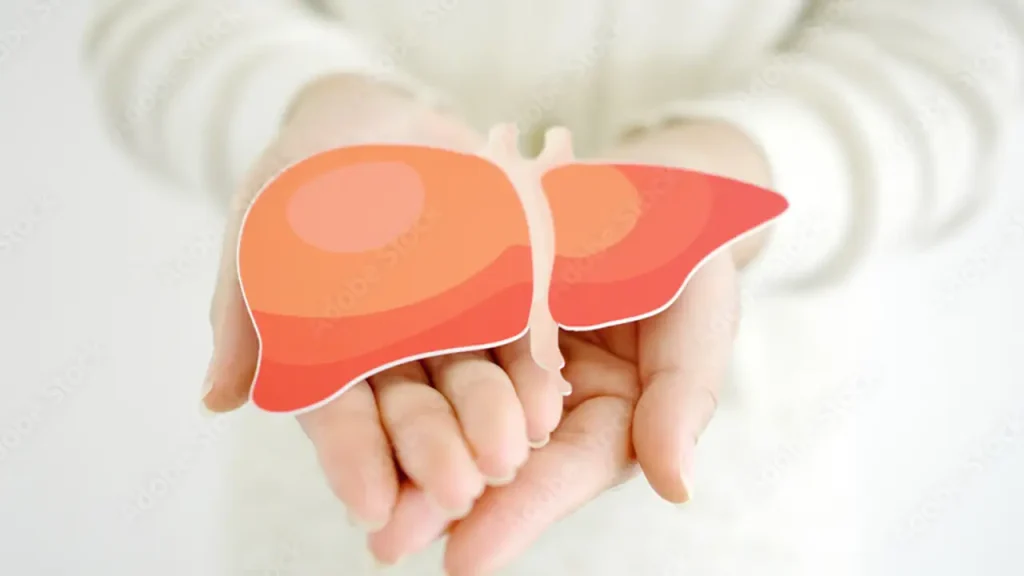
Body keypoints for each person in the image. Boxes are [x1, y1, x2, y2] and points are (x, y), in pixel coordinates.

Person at [84, 1, 1023, 574]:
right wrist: (310, 105)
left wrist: (736, 175)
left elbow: (960, 51)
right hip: (332, 488)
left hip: (741, 504)